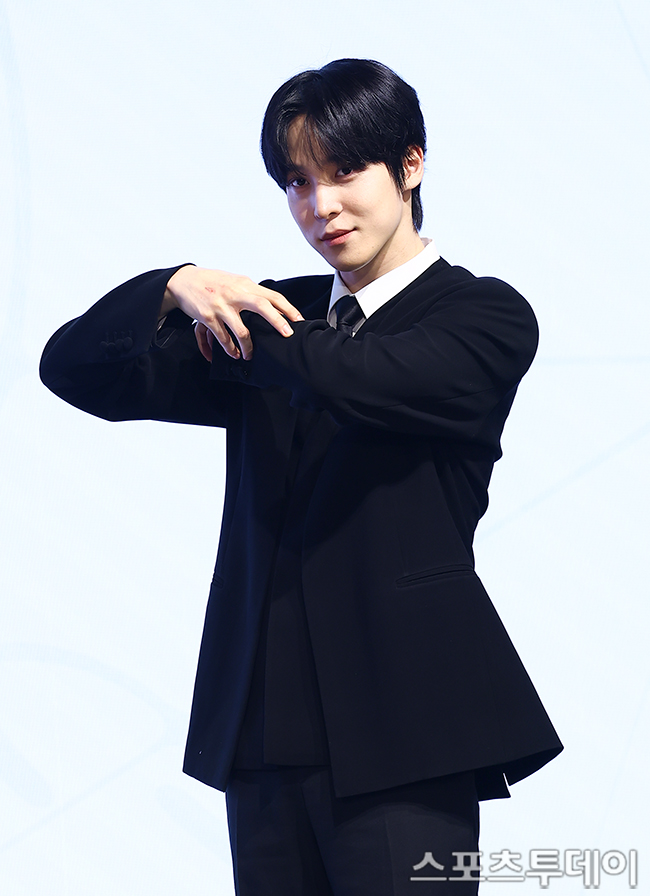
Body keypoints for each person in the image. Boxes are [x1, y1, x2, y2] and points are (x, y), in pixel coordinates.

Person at [40, 58, 562, 895]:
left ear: (411, 165)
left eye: (345, 171)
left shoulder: (484, 314)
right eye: (297, 182)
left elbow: (366, 379)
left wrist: (247, 317)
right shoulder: (272, 316)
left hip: (407, 731)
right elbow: (75, 371)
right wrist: (171, 288)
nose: (321, 206)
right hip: (263, 733)